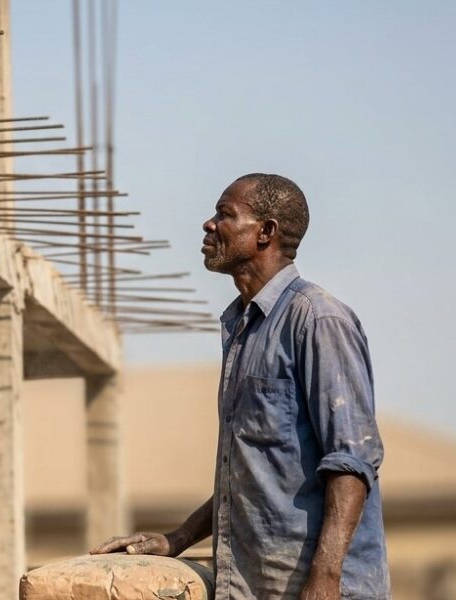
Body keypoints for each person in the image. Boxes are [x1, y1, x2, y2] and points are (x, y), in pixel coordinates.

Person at [91, 174, 391, 599]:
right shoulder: (242, 329)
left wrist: (325, 579)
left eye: (224, 214)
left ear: (265, 232)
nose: (208, 225)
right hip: (252, 585)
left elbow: (352, 461)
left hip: (317, 587)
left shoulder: (318, 319)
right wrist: (178, 538)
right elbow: (253, 475)